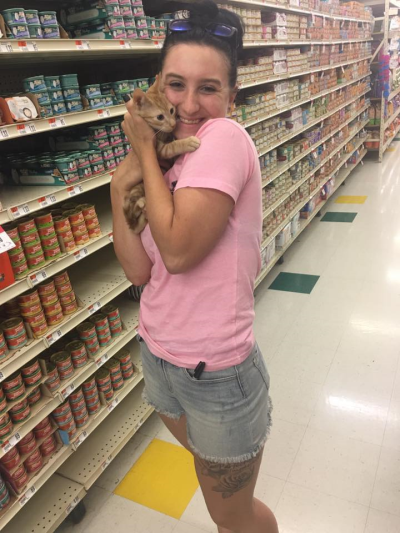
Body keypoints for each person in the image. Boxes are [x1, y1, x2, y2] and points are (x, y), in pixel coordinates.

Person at [111, 2, 278, 532]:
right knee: (222, 500)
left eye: (208, 88)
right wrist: (119, 185)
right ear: (156, 87)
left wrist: (142, 153)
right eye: (175, 84)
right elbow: (138, 272)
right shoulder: (168, 155)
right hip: (159, 354)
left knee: (231, 516)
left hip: (216, 374)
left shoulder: (224, 138)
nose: (187, 104)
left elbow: (178, 254)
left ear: (232, 96)